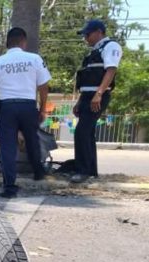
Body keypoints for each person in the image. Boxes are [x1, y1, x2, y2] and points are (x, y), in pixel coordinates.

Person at [0, 27, 51, 199]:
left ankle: (10, 187)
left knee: (7, 147)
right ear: (23, 42)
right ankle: (38, 172)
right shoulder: (35, 59)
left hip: (7, 108)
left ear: (7, 43)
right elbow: (43, 87)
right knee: (32, 139)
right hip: (28, 106)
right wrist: (42, 108)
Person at [71, 20, 123, 183]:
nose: (86, 37)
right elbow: (86, 79)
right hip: (87, 96)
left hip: (97, 96)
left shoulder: (110, 46)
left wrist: (99, 94)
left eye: (88, 34)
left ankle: (83, 171)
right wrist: (80, 101)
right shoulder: (93, 52)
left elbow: (111, 70)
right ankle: (91, 170)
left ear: (99, 32)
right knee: (87, 133)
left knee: (81, 132)